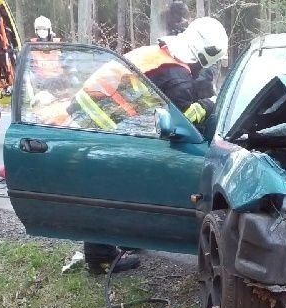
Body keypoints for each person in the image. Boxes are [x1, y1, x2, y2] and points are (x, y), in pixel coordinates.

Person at [73, 16, 229, 274]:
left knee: (113, 186)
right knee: (109, 189)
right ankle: (100, 258)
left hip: (88, 116)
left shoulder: (160, 54)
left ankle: (127, 239)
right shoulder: (177, 77)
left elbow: (157, 95)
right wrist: (207, 105)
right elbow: (182, 120)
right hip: (103, 126)